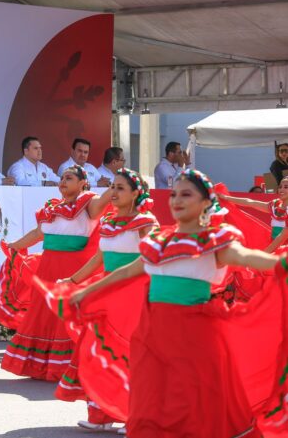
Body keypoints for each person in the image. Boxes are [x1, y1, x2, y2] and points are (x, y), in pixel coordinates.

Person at [70, 169, 285, 438]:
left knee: (198, 407)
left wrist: (281, 263)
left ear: (206, 202)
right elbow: (126, 272)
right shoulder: (160, 242)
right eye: (174, 194)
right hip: (152, 336)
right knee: (152, 404)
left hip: (195, 338)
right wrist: (85, 292)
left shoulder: (214, 241)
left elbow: (248, 257)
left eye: (186, 194)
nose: (177, 200)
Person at [33, 168, 156, 434]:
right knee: (99, 348)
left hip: (135, 291)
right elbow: (99, 258)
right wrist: (73, 280)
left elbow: (148, 258)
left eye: (120, 188)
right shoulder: (110, 223)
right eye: (112, 186)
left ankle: (132, 415)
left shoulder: (146, 222)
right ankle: (101, 413)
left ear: (136, 193)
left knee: (128, 352)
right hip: (109, 290)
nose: (114, 192)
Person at [0, 165, 112, 381]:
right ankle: (42, 366)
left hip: (73, 271)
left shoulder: (88, 204)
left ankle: (71, 367)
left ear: (82, 183)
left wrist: (117, 183)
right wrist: (14, 245)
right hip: (47, 270)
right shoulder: (51, 209)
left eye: (69, 178)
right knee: (44, 316)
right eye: (62, 177)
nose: (63, 181)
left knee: (66, 317)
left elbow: (105, 200)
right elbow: (37, 234)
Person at [219, 177, 288, 252]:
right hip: (274, 247)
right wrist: (225, 198)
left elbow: (282, 237)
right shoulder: (274, 205)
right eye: (280, 187)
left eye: (286, 187)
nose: (281, 189)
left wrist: (265, 253)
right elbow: (249, 202)